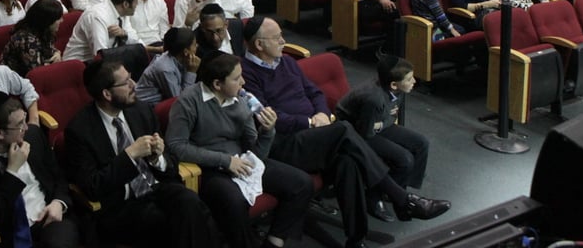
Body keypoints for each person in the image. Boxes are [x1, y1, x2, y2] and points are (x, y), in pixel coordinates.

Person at [240, 18, 449, 247]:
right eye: (276, 37)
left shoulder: (287, 62)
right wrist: (309, 122)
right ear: (259, 45)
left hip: (315, 135)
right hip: (283, 144)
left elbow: (315, 93)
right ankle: (403, 199)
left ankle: (356, 240)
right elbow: (269, 117)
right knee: (344, 129)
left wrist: (320, 114)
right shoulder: (246, 74)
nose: (283, 40)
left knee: (347, 161)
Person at [165, 52, 314, 248]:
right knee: (234, 201)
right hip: (208, 167)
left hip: (242, 160)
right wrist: (225, 161)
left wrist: (268, 131)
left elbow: (257, 152)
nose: (243, 82)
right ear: (218, 84)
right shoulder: (188, 102)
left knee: (302, 183)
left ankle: (273, 242)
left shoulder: (242, 99)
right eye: (236, 79)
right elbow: (176, 146)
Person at [64, 59, 215, 248]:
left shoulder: (140, 110)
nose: (134, 84)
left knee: (192, 203)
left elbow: (171, 164)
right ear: (107, 94)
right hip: (121, 204)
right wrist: (129, 156)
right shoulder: (79, 130)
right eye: (126, 82)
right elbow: (92, 186)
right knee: (175, 223)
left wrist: (158, 158)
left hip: (156, 187)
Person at [0, 91, 80, 248]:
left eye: (25, 120)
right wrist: (12, 171)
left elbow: (59, 176)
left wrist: (58, 203)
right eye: (19, 125)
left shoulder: (33, 135)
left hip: (50, 220)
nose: (26, 127)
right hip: (11, 235)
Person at [335, 56, 431, 219]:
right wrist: (385, 120)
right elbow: (366, 132)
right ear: (394, 84)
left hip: (378, 123)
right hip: (357, 131)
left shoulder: (399, 89)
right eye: (409, 79)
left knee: (422, 143)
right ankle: (373, 197)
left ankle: (399, 190)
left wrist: (383, 121)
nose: (414, 81)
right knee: (405, 159)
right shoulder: (374, 99)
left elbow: (391, 117)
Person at [63, 0, 140, 61]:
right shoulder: (97, 16)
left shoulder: (123, 13)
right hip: (81, 63)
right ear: (125, 4)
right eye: (136, 2)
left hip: (106, 58)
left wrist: (124, 34)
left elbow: (135, 40)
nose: (137, 5)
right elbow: (101, 54)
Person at [136, 27, 199, 105]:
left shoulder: (180, 59)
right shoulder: (166, 68)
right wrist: (191, 72)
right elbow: (180, 101)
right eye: (194, 45)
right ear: (186, 52)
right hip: (145, 106)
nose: (197, 46)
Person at [3, 0, 64, 76]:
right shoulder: (26, 40)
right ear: (48, 21)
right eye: (58, 18)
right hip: (19, 80)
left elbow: (49, 49)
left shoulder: (43, 31)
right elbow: (37, 73)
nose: (62, 20)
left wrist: (57, 53)